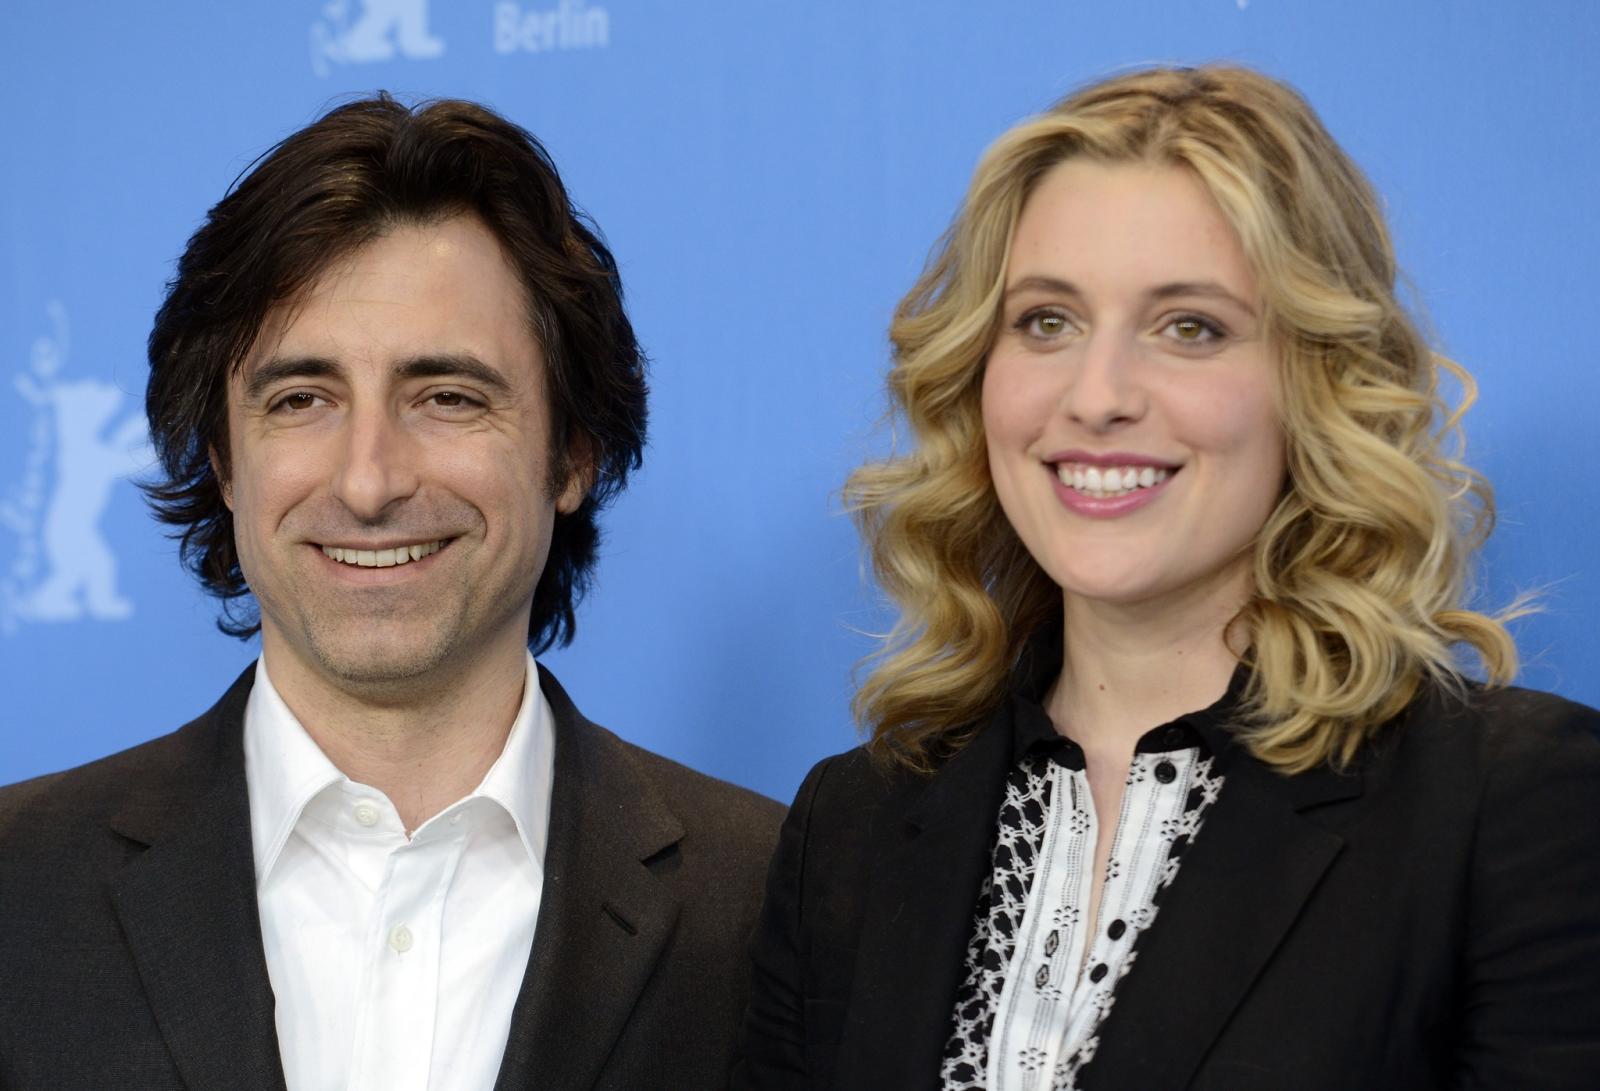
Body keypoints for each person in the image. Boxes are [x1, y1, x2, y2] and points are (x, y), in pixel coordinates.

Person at [734, 65, 1600, 1089]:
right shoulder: (852, 826)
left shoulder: (1509, 806)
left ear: (1316, 380)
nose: (1097, 395)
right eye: (1046, 321)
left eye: (1189, 326)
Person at [0, 95, 782, 1090]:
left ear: (571, 454)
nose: (368, 480)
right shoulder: (18, 886)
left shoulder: (772, 902)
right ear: (225, 461)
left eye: (447, 397)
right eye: (301, 400)